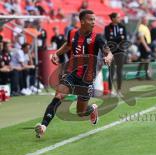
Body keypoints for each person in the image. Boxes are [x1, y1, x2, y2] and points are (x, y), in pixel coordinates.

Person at [35, 10, 113, 138]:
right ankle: (43, 126)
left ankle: (92, 109)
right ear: (82, 21)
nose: (93, 22)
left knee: (80, 112)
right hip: (72, 73)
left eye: (94, 19)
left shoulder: (97, 38)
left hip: (87, 78)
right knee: (59, 95)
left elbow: (107, 51)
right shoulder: (72, 33)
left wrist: (108, 57)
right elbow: (68, 45)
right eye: (90, 19)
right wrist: (57, 53)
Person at [104, 12, 127, 95]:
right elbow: (108, 39)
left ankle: (119, 90)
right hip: (111, 51)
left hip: (120, 51)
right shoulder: (107, 28)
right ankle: (111, 90)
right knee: (111, 70)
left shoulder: (122, 27)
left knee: (119, 71)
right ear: (113, 18)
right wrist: (119, 38)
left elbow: (125, 39)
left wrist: (114, 39)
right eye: (118, 17)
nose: (119, 19)